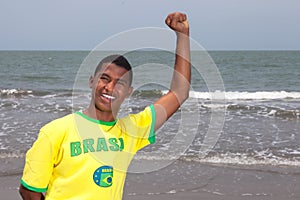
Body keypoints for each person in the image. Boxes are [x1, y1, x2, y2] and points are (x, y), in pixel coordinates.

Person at [19, 11, 190, 200]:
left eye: (121, 83)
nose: (110, 87)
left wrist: (182, 36)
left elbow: (179, 93)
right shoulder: (55, 132)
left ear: (128, 92)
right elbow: (29, 190)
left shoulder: (131, 130)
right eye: (105, 79)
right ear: (92, 82)